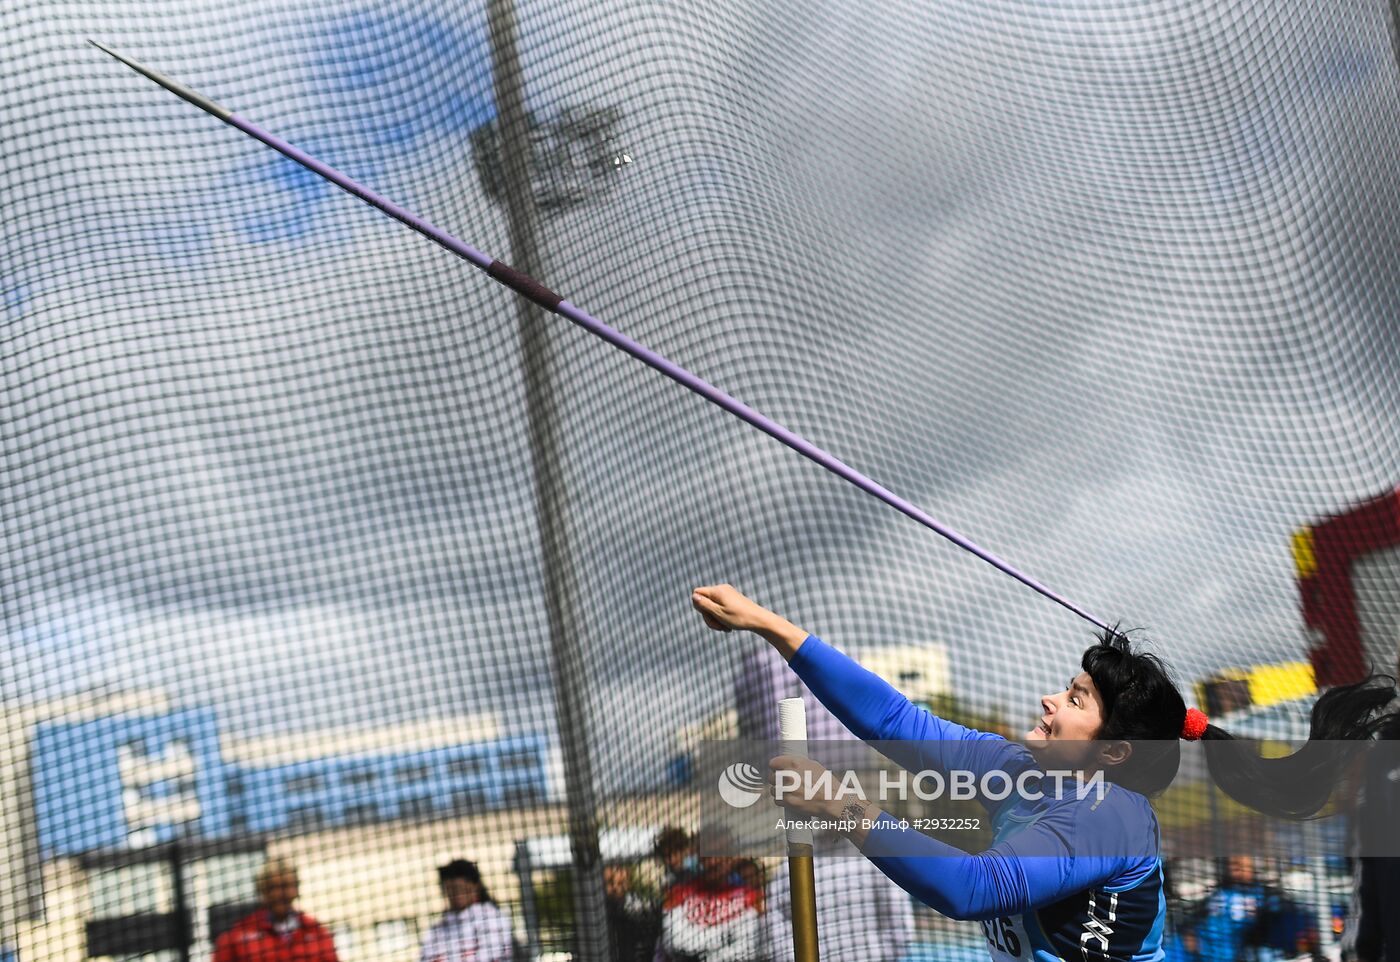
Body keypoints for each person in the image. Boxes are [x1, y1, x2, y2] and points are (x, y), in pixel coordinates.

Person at [690, 584, 1400, 962]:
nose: (1048, 700)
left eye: (1075, 698)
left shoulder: (1108, 815)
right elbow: (898, 724)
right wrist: (775, 629)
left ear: (1115, 749)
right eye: (1065, 686)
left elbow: (974, 889)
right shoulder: (1020, 767)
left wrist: (844, 806)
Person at [765, 831, 914, 962]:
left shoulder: (875, 858)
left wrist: (885, 956)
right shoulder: (795, 863)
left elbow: (899, 920)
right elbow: (777, 920)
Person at [653, 842, 764, 962]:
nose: (713, 862)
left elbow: (748, 950)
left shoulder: (750, 897)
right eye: (708, 856)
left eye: (720, 854)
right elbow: (676, 943)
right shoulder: (678, 894)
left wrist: (704, 945)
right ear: (700, 858)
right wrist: (724, 938)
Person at [213, 857, 338, 962]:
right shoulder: (237, 936)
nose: (280, 894)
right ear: (262, 891)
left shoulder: (316, 932)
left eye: (286, 886)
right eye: (272, 887)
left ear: (296, 889)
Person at [418, 859, 514, 962]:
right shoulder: (437, 930)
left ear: (475, 887)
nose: (454, 895)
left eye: (459, 888)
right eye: (449, 889)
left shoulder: (493, 919)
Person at [605, 861, 661, 962]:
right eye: (609, 883)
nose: (615, 888)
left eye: (621, 883)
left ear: (629, 883)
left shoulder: (640, 903)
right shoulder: (603, 910)